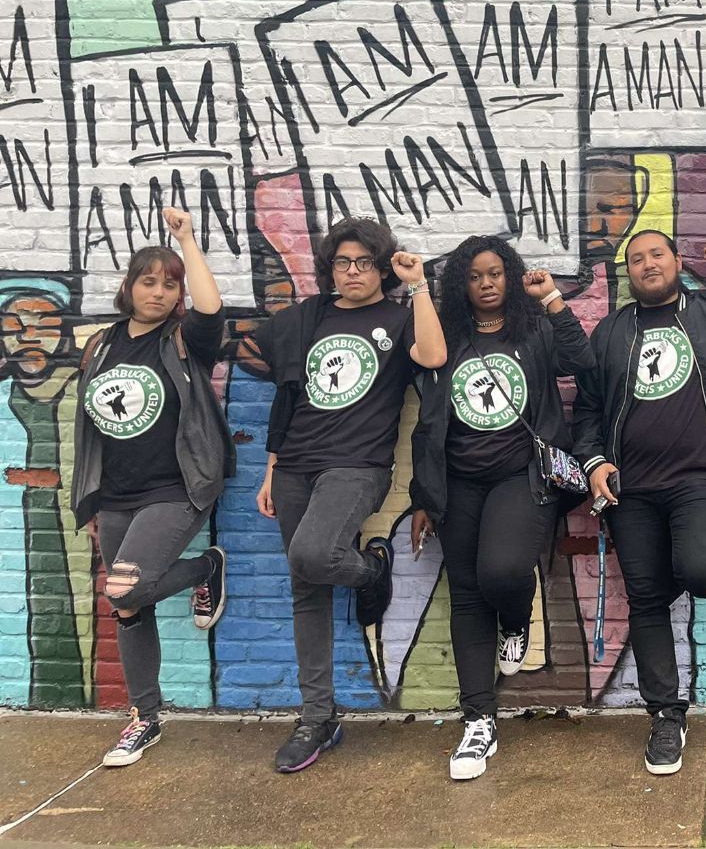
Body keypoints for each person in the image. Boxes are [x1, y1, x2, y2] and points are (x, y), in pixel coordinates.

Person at [573, 230, 706, 775]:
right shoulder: (610, 332)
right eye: (637, 259)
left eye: (657, 255)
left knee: (704, 570)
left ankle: (665, 576)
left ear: (675, 261)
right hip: (632, 491)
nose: (648, 265)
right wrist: (595, 461)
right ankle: (667, 715)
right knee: (647, 601)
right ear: (628, 273)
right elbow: (588, 411)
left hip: (700, 478)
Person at [238, 216, 446, 774]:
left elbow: (433, 357)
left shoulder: (399, 319)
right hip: (295, 466)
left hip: (357, 467)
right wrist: (270, 468)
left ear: (381, 268)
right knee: (305, 586)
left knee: (310, 555)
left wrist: (419, 284)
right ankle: (318, 716)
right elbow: (287, 396)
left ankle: (371, 573)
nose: (352, 273)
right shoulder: (309, 317)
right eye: (342, 263)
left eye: (363, 263)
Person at [409, 235, 595, 781]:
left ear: (509, 276)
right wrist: (425, 495)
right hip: (458, 482)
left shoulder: (534, 327)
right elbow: (428, 422)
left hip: (521, 474)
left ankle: (516, 619)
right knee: (466, 594)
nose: (487, 283)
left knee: (505, 570)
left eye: (496, 273)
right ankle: (479, 721)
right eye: (475, 275)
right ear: (460, 283)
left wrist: (554, 301)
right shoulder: (443, 336)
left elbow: (582, 361)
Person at [71, 208, 232, 767]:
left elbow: (212, 307)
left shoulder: (186, 339)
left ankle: (204, 568)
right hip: (115, 494)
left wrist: (186, 239)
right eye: (149, 280)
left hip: (175, 488)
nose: (159, 292)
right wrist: (90, 497)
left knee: (125, 590)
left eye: (170, 284)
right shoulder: (101, 345)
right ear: (128, 286)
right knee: (129, 611)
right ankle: (145, 719)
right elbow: (91, 426)